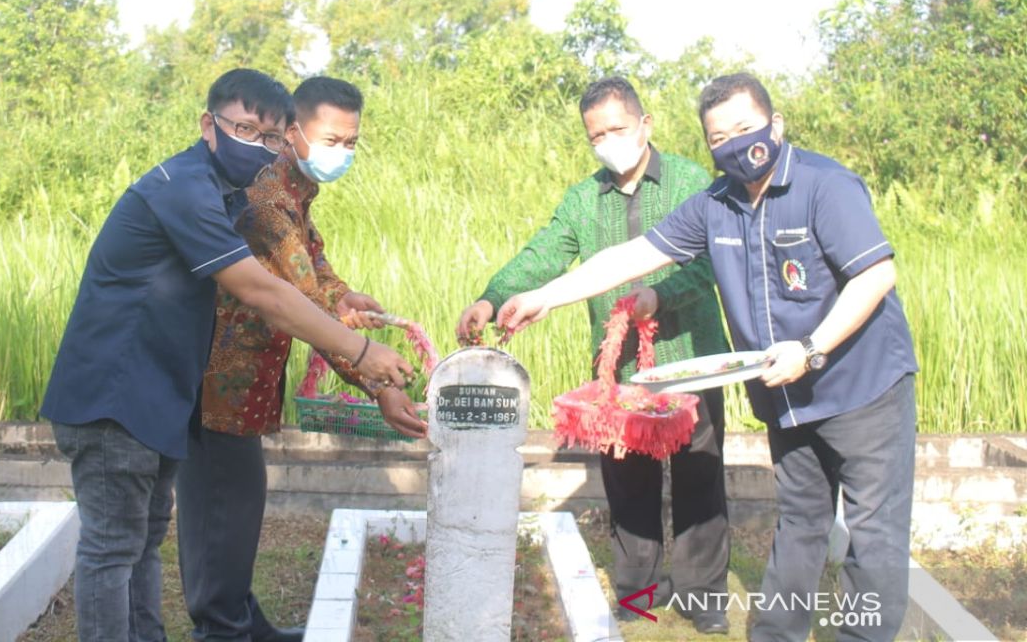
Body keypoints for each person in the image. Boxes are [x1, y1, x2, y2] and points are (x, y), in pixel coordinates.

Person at [498, 73, 918, 642]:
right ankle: (776, 634)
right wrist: (542, 297)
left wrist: (813, 348)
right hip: (785, 393)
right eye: (720, 137)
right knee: (800, 521)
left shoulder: (825, 185)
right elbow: (630, 257)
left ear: (776, 125)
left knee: (872, 533)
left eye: (746, 129)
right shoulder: (714, 204)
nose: (736, 145)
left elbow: (875, 274)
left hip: (862, 389)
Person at [40, 68, 413, 642]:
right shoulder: (187, 190)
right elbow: (268, 292)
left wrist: (347, 312)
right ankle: (223, 626)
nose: (257, 148)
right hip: (116, 390)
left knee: (141, 540)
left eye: (266, 138)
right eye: (243, 129)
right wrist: (363, 354)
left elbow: (309, 273)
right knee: (114, 547)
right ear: (208, 124)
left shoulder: (226, 191)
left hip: (158, 390)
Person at [456, 76, 732, 635]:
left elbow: (712, 263)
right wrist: (492, 296)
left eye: (618, 129)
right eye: (596, 135)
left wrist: (661, 295)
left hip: (690, 361)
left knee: (699, 478)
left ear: (645, 125)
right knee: (628, 485)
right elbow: (543, 254)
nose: (609, 141)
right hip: (619, 373)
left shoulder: (691, 183)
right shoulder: (583, 199)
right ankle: (638, 596)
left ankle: (703, 599)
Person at [177, 76, 427, 642]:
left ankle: (240, 619)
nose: (343, 152)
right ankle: (222, 629)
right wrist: (377, 383)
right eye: (332, 138)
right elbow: (301, 300)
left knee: (234, 507)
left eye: (352, 142)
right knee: (223, 507)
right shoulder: (266, 200)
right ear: (293, 133)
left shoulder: (292, 191)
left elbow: (315, 269)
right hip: (219, 384)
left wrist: (345, 298)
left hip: (243, 385)